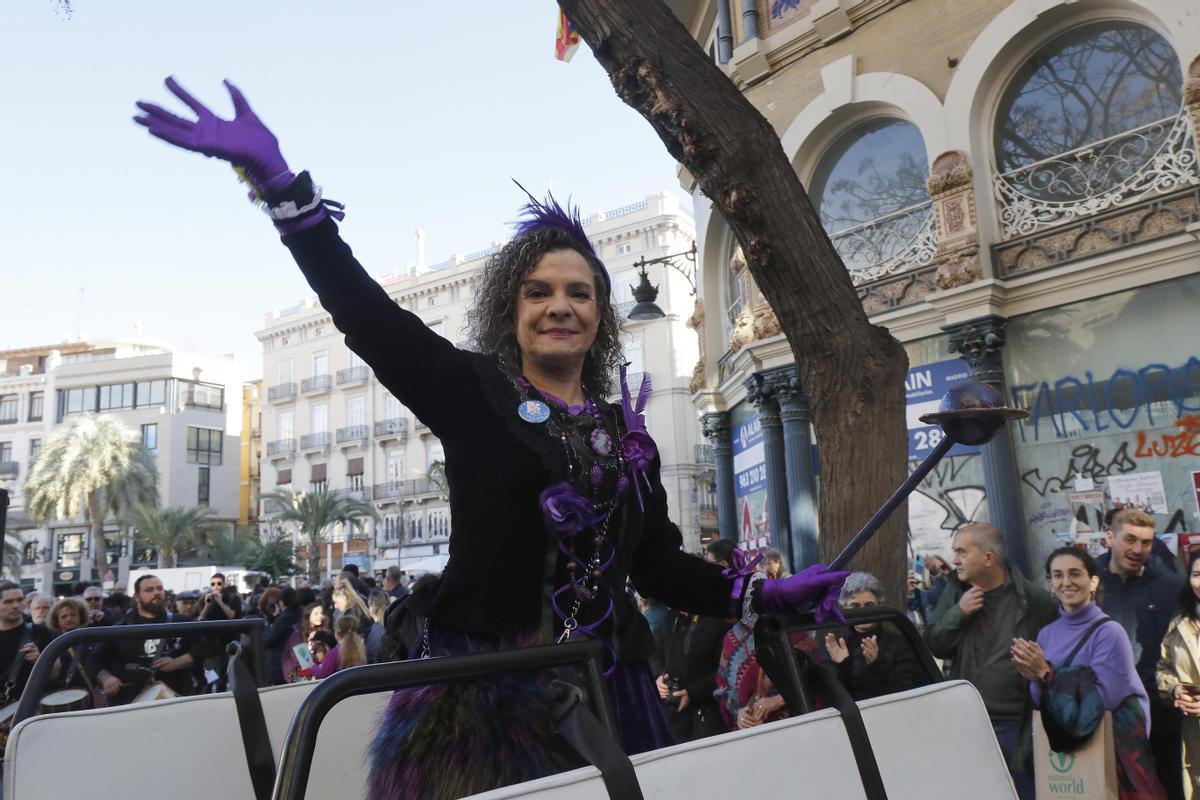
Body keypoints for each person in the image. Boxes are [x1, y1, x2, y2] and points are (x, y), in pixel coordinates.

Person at [133, 76, 848, 797]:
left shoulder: (627, 438)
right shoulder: (472, 392)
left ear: (601, 315)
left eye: (579, 292)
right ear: (511, 312)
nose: (559, 306)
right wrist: (282, 186)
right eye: (538, 291)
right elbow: (365, 312)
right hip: (480, 699)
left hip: (612, 691)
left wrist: (766, 595)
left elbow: (660, 568)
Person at [1013, 547, 1166, 799]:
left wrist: (1045, 674)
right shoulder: (1046, 634)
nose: (1066, 582)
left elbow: (1101, 702)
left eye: (1075, 574)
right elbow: (1044, 703)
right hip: (1068, 751)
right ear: (1050, 583)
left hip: (1112, 751)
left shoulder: (1109, 632)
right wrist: (1037, 680)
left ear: (1092, 581)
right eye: (1057, 575)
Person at [924, 523, 1059, 800]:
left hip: (1017, 727)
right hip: (968, 722)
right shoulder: (954, 593)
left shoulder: (1036, 600)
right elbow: (935, 645)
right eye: (954, 552)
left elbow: (1058, 657)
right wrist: (958, 613)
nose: (956, 559)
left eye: (962, 552)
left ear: (988, 558)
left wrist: (1041, 667)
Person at [1098, 509, 1186, 800]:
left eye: (1146, 542)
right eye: (1130, 539)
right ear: (1110, 536)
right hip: (1107, 722)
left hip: (1164, 720)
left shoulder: (1172, 588)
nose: (1138, 550)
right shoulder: (1087, 582)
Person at [655, 539, 738, 742]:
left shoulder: (718, 619)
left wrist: (691, 693)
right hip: (673, 720)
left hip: (708, 720)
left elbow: (725, 671)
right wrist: (658, 678)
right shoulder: (670, 619)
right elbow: (653, 654)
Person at [86, 575, 208, 704]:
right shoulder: (122, 628)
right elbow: (94, 660)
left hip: (177, 698)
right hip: (133, 700)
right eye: (149, 590)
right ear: (137, 596)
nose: (156, 593)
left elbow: (204, 648)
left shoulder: (181, 622)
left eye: (159, 588)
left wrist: (177, 662)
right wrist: (106, 678)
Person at [822, 572, 921, 701]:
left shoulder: (900, 645)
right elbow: (830, 698)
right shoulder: (837, 646)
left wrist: (878, 664)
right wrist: (842, 665)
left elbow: (907, 693)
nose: (863, 612)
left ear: (878, 606)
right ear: (845, 607)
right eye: (855, 606)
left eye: (869, 605)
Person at [1157, 547, 1200, 797]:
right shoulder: (1179, 624)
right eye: (1196, 574)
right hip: (1193, 736)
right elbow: (1165, 667)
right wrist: (1174, 689)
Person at [0, 581, 54, 708]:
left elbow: (55, 674)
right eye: (8, 602)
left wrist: (40, 659)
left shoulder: (41, 632)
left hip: (31, 708)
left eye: (19, 600)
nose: (15, 605)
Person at [47, 597, 97, 694]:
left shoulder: (92, 638)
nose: (69, 619)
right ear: (57, 620)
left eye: (73, 615)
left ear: (80, 616)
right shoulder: (54, 644)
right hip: (64, 695)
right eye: (64, 616)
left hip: (90, 693)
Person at [332, 582, 382, 663]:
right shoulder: (360, 608)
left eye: (336, 602)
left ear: (345, 598)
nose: (335, 606)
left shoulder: (350, 616)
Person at [263, 586, 303, 685]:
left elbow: (268, 640)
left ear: (281, 602)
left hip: (280, 665)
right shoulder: (300, 614)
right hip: (298, 661)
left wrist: (271, 621)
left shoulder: (283, 620)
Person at [312, 614, 368, 679]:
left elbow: (321, 675)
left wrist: (314, 667)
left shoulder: (335, 652)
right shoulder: (361, 648)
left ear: (337, 633)